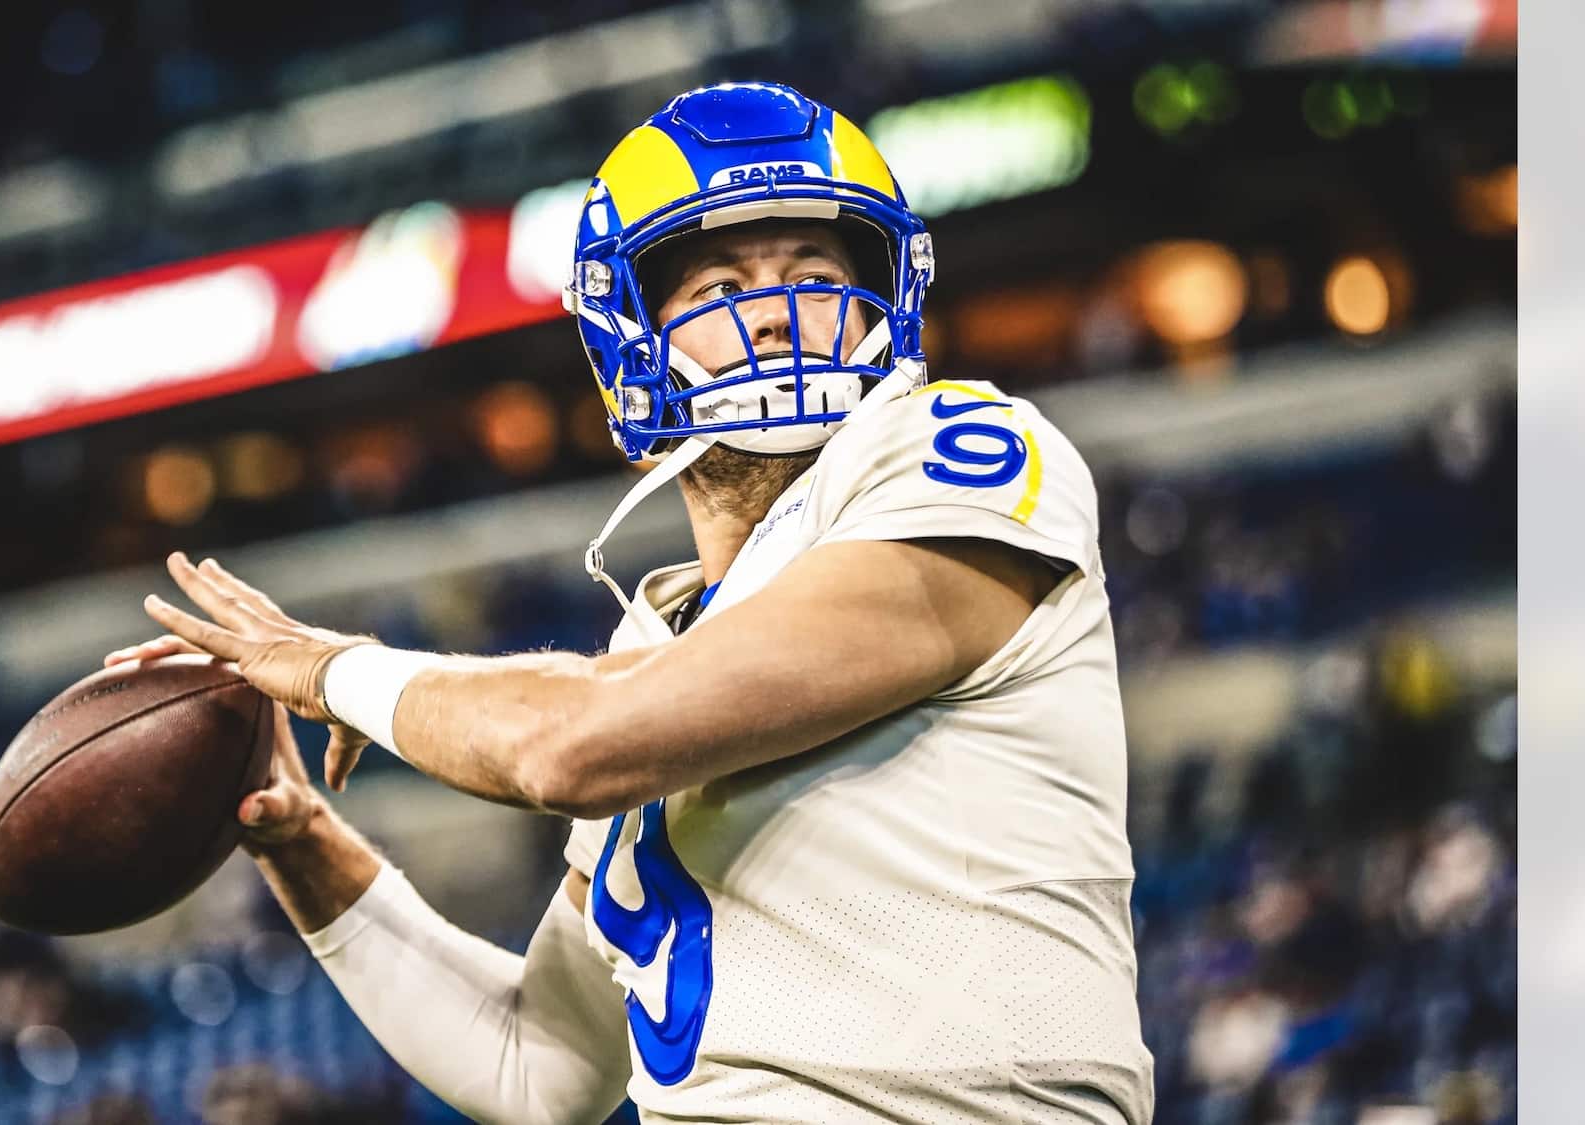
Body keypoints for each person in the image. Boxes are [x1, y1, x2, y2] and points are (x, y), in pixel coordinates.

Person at [108, 81, 1154, 1124]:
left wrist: (331, 670)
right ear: (625, 336)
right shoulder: (657, 644)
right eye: (718, 287)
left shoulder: (961, 449)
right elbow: (534, 1070)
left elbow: (575, 744)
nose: (777, 311)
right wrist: (298, 840)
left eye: (814, 272)